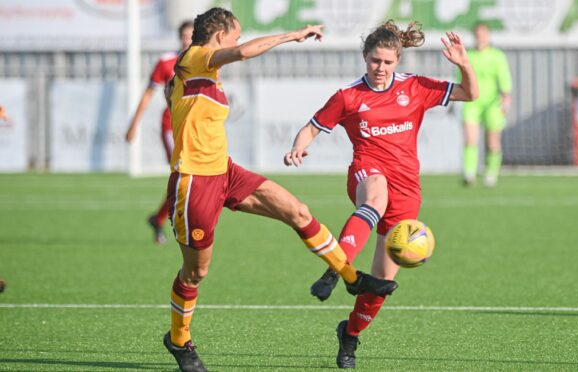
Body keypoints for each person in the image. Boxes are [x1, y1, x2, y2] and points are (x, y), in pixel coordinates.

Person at [162, 8, 398, 372]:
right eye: (236, 34)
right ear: (221, 35)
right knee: (196, 273)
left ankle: (352, 278)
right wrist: (293, 35)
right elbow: (242, 53)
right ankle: (178, 340)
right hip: (194, 182)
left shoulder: (202, 72)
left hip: (225, 171)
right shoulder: (196, 58)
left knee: (297, 211)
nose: (238, 41)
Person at [284, 21, 478, 368]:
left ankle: (350, 335)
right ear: (365, 57)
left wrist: (463, 63)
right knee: (375, 196)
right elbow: (312, 127)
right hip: (367, 171)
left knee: (382, 282)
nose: (380, 68)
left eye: (387, 62)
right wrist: (297, 148)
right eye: (375, 61)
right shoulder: (348, 96)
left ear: (398, 61)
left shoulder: (415, 88)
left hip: (407, 189)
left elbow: (470, 93)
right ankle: (335, 271)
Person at [125, 20, 194, 244]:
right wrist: (134, 124)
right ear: (179, 37)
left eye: (192, 35)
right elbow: (148, 94)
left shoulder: (204, 60)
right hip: (171, 125)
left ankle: (159, 219)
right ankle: (177, 223)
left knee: (190, 176)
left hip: (196, 127)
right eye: (185, 35)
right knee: (183, 173)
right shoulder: (166, 62)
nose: (188, 39)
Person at [460, 22, 512, 187]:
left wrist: (505, 98)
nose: (480, 38)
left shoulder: (497, 56)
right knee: (470, 138)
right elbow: (460, 79)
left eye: (483, 35)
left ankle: (491, 173)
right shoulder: (468, 56)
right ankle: (469, 173)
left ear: (488, 36)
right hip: (472, 102)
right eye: (477, 35)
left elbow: (504, 79)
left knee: (493, 141)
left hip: (492, 103)